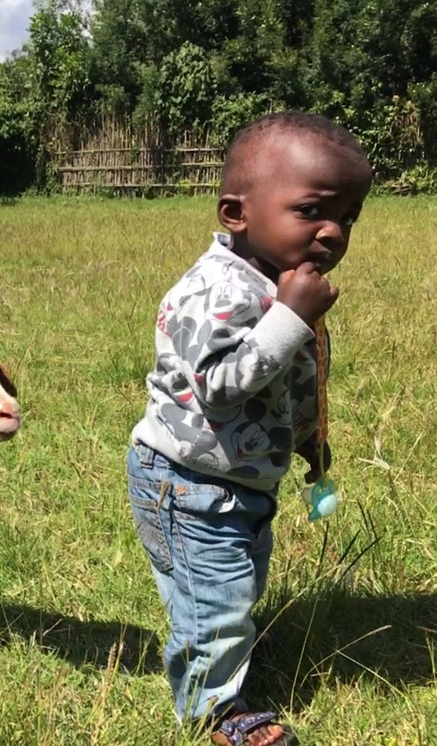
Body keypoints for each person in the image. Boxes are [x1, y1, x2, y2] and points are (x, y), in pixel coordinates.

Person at [126, 111, 374, 746]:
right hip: (187, 483)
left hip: (237, 478)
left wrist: (310, 436)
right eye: (311, 210)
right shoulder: (216, 289)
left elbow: (288, 377)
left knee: (235, 584)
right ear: (236, 213)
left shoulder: (280, 281)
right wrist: (290, 317)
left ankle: (222, 644)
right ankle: (214, 711)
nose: (332, 232)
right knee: (216, 598)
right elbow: (218, 384)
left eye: (347, 217)